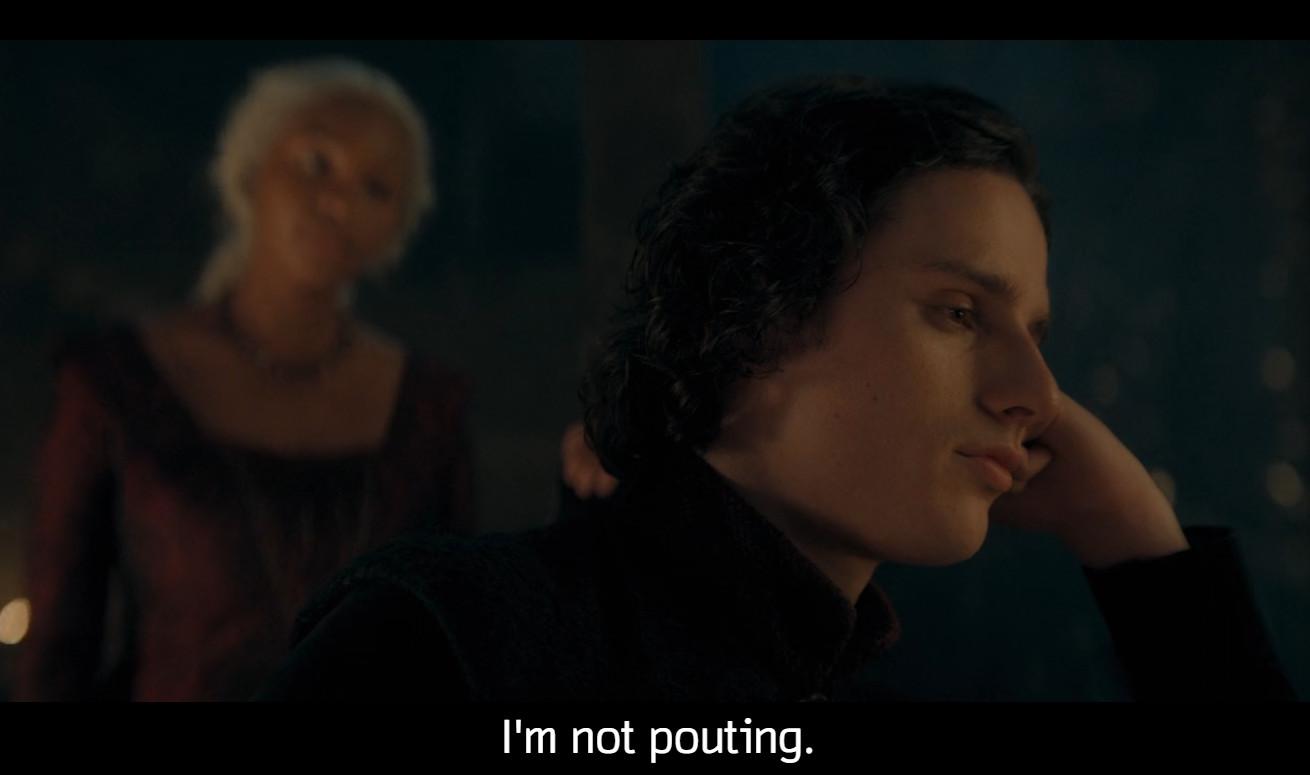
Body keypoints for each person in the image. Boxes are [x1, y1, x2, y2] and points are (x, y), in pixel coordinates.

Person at [263, 77, 1293, 701]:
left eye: (1033, 332)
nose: (1037, 391)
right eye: (958, 312)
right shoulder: (446, 645)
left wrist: (1132, 537)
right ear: (756, 316)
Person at [16, 58, 473, 701]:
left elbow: (452, 641)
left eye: (376, 188)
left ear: (397, 227)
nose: (338, 201)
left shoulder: (428, 409)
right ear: (253, 168)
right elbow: (56, 654)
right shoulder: (117, 384)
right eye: (316, 162)